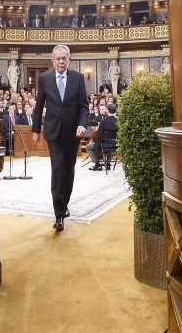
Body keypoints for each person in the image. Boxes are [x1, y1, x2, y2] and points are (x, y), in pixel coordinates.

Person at [32, 44, 89, 232]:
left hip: (73, 132)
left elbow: (83, 105)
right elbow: (39, 105)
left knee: (68, 169)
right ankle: (58, 214)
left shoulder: (78, 78)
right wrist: (35, 130)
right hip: (53, 131)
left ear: (69, 60)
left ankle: (64, 204)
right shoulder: (45, 78)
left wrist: (82, 124)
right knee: (57, 167)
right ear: (53, 60)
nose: (61, 61)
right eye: (58, 58)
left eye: (64, 58)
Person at [86, 103, 118, 171]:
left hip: (104, 145)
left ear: (107, 110)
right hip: (115, 144)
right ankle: (108, 164)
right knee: (110, 144)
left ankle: (97, 164)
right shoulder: (118, 121)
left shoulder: (103, 122)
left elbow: (99, 135)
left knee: (88, 147)